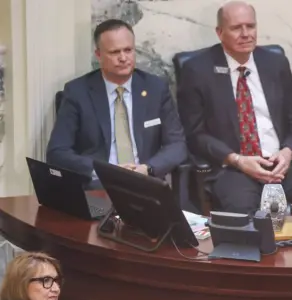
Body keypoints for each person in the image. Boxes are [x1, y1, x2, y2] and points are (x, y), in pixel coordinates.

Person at [177, 1, 292, 214]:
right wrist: (238, 160)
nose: (245, 34)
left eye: (250, 26)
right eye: (236, 28)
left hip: (281, 164)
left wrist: (288, 152)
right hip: (234, 169)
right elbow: (195, 134)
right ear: (220, 32)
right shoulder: (198, 70)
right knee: (248, 223)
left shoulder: (274, 63)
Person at [46, 19, 187, 187]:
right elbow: (57, 152)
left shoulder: (156, 88)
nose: (123, 58)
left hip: (146, 184)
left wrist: (147, 168)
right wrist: (104, 170)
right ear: (98, 55)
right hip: (99, 185)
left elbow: (177, 144)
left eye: (128, 50)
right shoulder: (77, 92)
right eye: (114, 52)